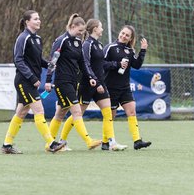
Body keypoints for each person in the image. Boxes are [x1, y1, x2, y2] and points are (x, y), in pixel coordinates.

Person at [57, 19, 128, 151]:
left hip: (100, 84)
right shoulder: (87, 45)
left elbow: (101, 65)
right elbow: (86, 65)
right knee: (77, 115)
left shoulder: (100, 45)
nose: (102, 29)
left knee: (108, 113)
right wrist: (94, 81)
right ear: (95, 28)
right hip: (87, 84)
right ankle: (62, 141)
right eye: (101, 27)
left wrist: (113, 68)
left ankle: (111, 142)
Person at [1, 10, 65, 154]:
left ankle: (7, 145)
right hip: (24, 81)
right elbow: (18, 60)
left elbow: (37, 60)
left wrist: (49, 64)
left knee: (21, 113)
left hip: (29, 81)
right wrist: (32, 78)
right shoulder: (23, 38)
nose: (39, 21)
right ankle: (51, 143)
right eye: (35, 19)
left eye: (39, 18)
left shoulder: (38, 39)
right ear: (27, 22)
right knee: (39, 110)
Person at [45, 14, 101, 150]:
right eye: (80, 30)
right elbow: (53, 61)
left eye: (83, 31)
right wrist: (48, 80)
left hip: (72, 81)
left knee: (60, 113)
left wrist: (90, 78)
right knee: (76, 111)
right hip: (62, 81)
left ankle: (49, 144)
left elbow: (82, 63)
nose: (81, 33)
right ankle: (88, 141)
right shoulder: (61, 40)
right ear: (72, 26)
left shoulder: (77, 43)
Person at [103, 25, 152, 150]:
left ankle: (137, 141)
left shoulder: (130, 51)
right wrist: (117, 64)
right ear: (120, 32)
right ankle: (105, 142)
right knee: (110, 116)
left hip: (124, 87)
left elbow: (136, 65)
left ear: (130, 38)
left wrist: (143, 50)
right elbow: (101, 64)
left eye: (127, 35)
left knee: (131, 111)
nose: (123, 36)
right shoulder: (110, 48)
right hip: (111, 87)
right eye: (123, 33)